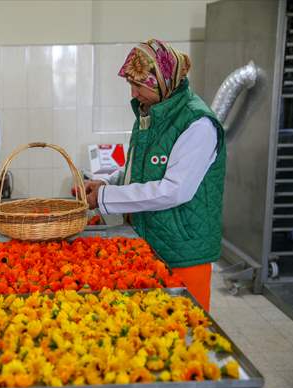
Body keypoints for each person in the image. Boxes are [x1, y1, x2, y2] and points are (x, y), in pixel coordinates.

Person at [84, 39, 226, 311]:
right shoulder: (151, 114)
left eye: (139, 86)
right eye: (131, 86)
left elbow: (174, 189)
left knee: (185, 332)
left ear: (161, 83)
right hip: (151, 243)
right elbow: (142, 169)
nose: (134, 94)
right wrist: (109, 182)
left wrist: (105, 197)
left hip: (183, 252)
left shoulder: (198, 124)